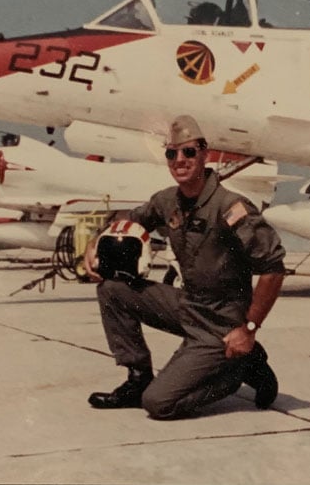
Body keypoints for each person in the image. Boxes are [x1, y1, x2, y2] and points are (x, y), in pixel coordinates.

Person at [83, 115, 286, 420]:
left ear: (206, 154)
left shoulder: (230, 207)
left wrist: (249, 330)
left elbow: (273, 267)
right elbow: (130, 219)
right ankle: (138, 379)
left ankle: (242, 366)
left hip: (222, 322)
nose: (180, 160)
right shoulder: (167, 202)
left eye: (189, 152)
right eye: (172, 154)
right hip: (188, 305)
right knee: (113, 288)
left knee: (159, 404)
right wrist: (94, 242)